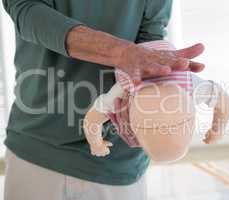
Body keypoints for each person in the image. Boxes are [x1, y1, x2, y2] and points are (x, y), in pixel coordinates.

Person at [2, 0, 206, 199]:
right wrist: (122, 53)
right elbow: (25, 10)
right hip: (37, 149)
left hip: (116, 161)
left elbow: (150, 36)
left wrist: (147, 97)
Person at [84, 40, 229, 162]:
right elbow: (92, 120)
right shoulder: (123, 90)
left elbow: (224, 101)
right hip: (132, 54)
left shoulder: (193, 87)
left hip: (157, 49)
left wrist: (218, 129)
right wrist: (96, 144)